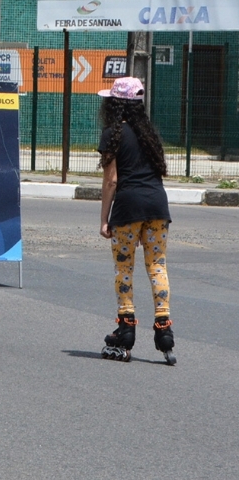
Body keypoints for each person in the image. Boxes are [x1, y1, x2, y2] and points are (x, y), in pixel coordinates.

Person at [96, 76, 176, 364]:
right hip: (157, 206)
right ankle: (164, 329)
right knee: (157, 265)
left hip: (128, 208)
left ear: (114, 104)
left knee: (124, 267)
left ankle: (126, 328)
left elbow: (111, 180)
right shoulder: (150, 134)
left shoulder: (112, 134)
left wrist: (104, 219)